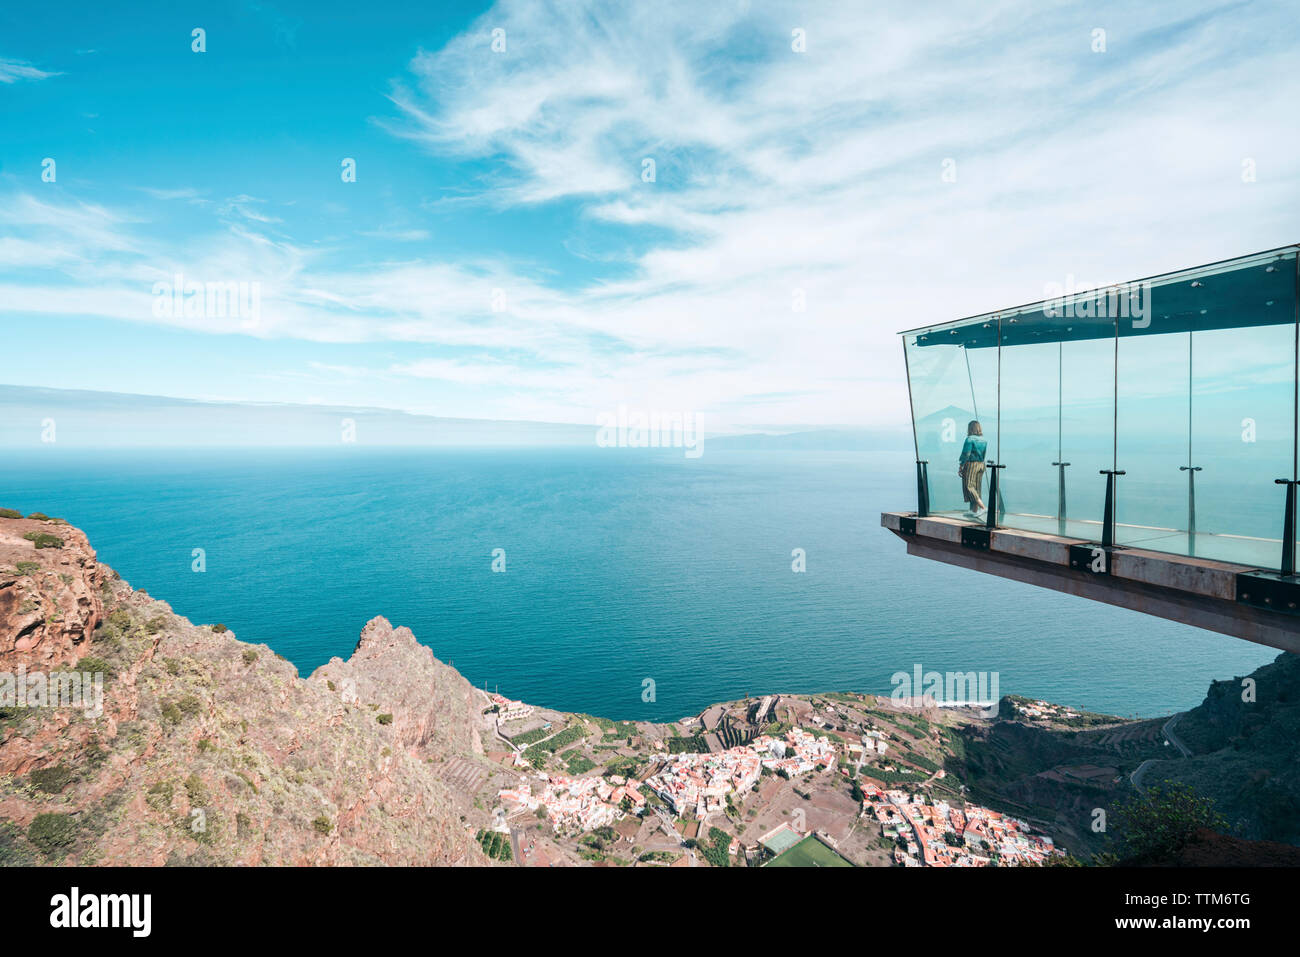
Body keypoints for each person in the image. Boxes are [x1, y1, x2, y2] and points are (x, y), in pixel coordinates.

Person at [958, 420, 987, 515]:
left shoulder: (969, 439)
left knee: (969, 486)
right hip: (981, 464)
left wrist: (961, 465)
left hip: (972, 464)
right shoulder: (984, 440)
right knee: (977, 487)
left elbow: (966, 454)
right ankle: (974, 511)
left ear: (970, 428)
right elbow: (983, 454)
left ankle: (982, 507)